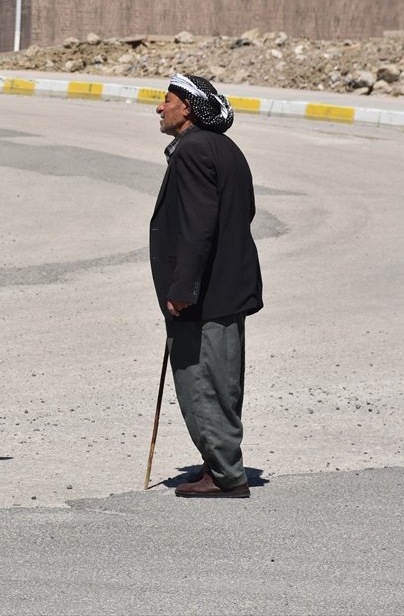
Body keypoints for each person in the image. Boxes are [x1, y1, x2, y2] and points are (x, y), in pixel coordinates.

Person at [150, 73, 263, 499]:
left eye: (167, 100)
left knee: (201, 382)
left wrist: (183, 288)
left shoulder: (193, 151)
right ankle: (219, 460)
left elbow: (198, 227)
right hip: (227, 287)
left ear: (188, 108)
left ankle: (224, 474)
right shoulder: (223, 148)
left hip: (205, 294)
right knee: (222, 382)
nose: (160, 108)